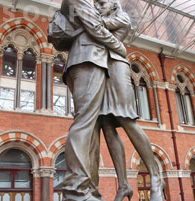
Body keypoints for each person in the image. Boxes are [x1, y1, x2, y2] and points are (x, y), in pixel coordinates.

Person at [92, 0, 167, 201]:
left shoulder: (121, 18)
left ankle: (155, 176)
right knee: (106, 125)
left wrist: (88, 20)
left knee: (126, 119)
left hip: (116, 67)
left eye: (102, 3)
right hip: (99, 69)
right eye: (96, 4)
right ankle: (123, 185)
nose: (98, 6)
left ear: (114, 5)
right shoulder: (102, 17)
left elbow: (96, 27)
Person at [60, 0, 129, 200]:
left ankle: (90, 189)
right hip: (88, 59)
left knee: (91, 127)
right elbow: (94, 26)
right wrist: (119, 47)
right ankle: (76, 189)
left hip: (87, 61)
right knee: (85, 123)